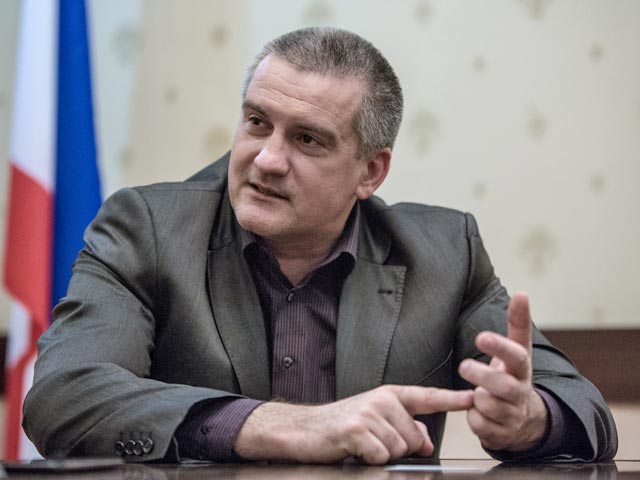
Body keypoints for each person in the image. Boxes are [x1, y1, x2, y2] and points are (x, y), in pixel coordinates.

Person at [23, 27, 617, 464]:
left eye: (307, 139)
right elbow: (62, 397)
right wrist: (281, 426)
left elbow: (581, 406)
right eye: (257, 122)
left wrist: (530, 419)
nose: (267, 159)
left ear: (370, 171)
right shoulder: (147, 228)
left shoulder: (444, 253)